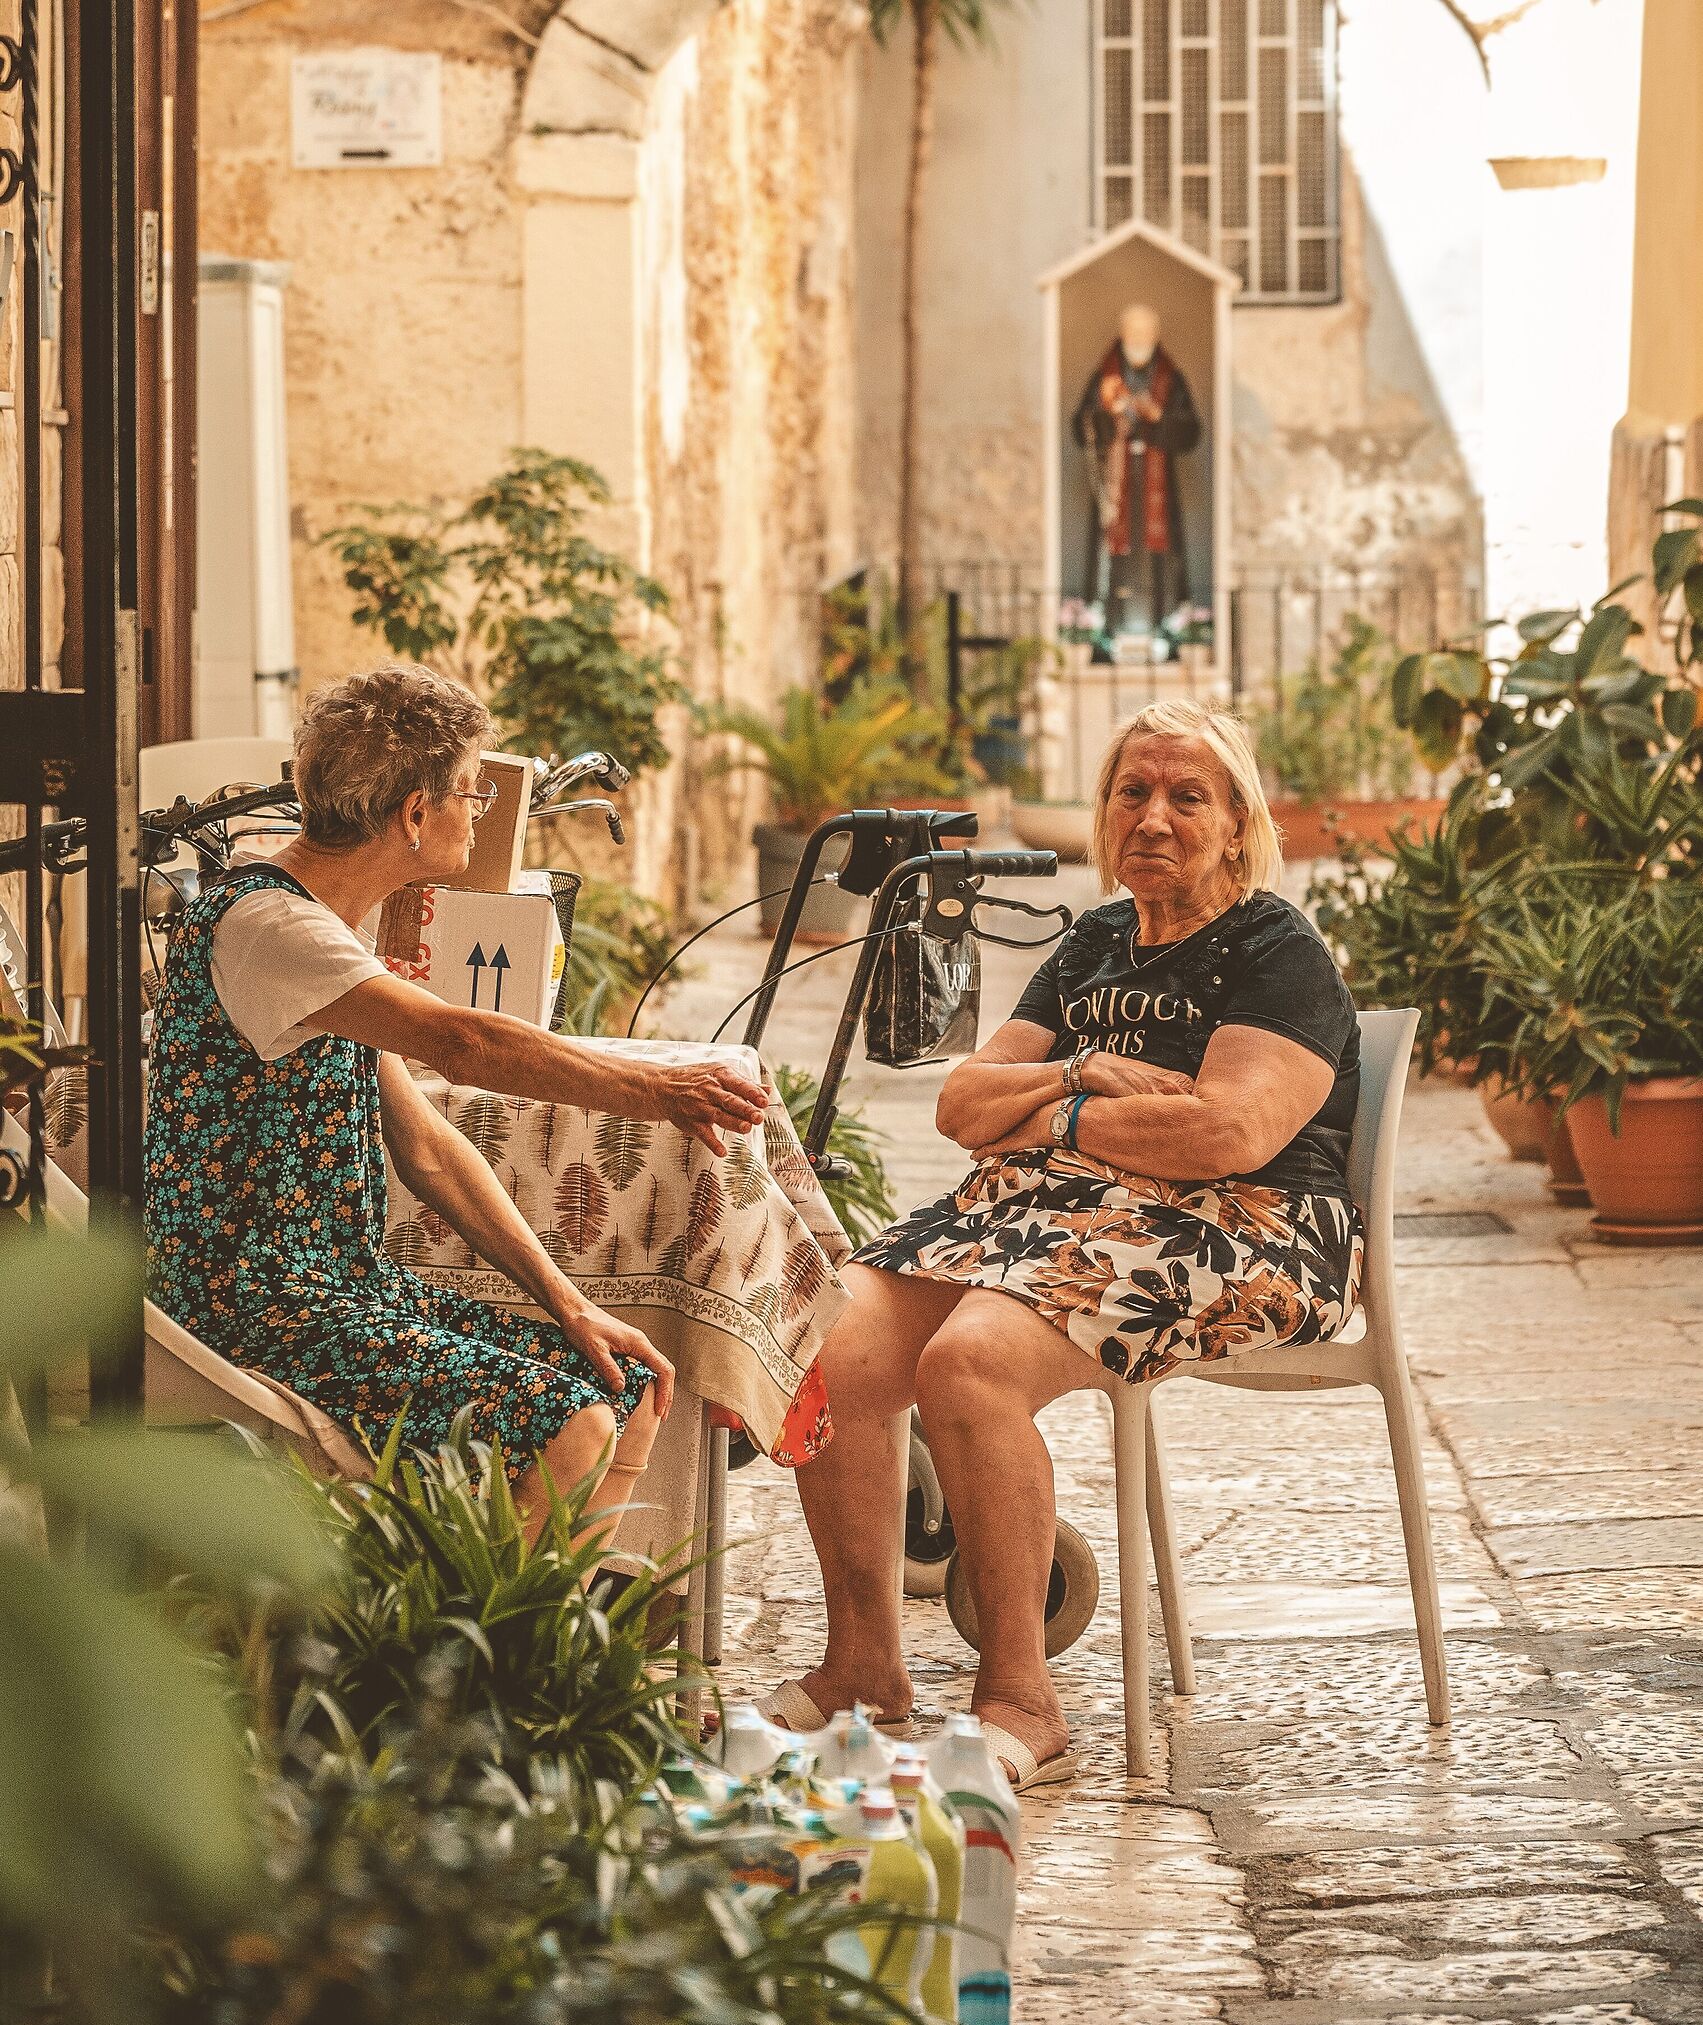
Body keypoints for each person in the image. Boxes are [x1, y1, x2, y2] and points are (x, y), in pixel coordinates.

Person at [768, 699, 1363, 1788]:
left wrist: (1052, 1120)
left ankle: (1017, 1697)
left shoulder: (1272, 945)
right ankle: (862, 1666)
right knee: (821, 1340)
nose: (1153, 817)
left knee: (969, 1363)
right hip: (1042, 1217)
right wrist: (1080, 1079)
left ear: (1236, 822)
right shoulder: (1094, 941)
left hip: (1237, 1231)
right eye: (1130, 792)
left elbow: (1228, 1133)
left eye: (1187, 796)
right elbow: (961, 1102)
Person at [144, 664, 768, 1539]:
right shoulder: (268, 926)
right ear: (413, 812)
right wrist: (656, 1089)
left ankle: (560, 1640)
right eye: (471, 795)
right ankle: (467, 1655)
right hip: (253, 1302)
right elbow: (462, 1043)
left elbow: (429, 1149)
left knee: (618, 1389)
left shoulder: (317, 931)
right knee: (567, 1421)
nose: (479, 813)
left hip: (337, 1290)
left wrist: (570, 1303)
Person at [1072, 302, 1202, 635]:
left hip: (1156, 480)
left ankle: (1167, 621)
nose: (1139, 339)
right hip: (1115, 478)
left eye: (1146, 333)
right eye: (1133, 333)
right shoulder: (1106, 379)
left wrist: (1157, 417)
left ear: (1156, 336)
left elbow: (1191, 430)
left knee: (1163, 551)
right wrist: (1109, 418)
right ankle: (1105, 625)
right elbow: (1080, 426)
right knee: (1110, 549)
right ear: (1122, 334)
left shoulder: (1169, 379)